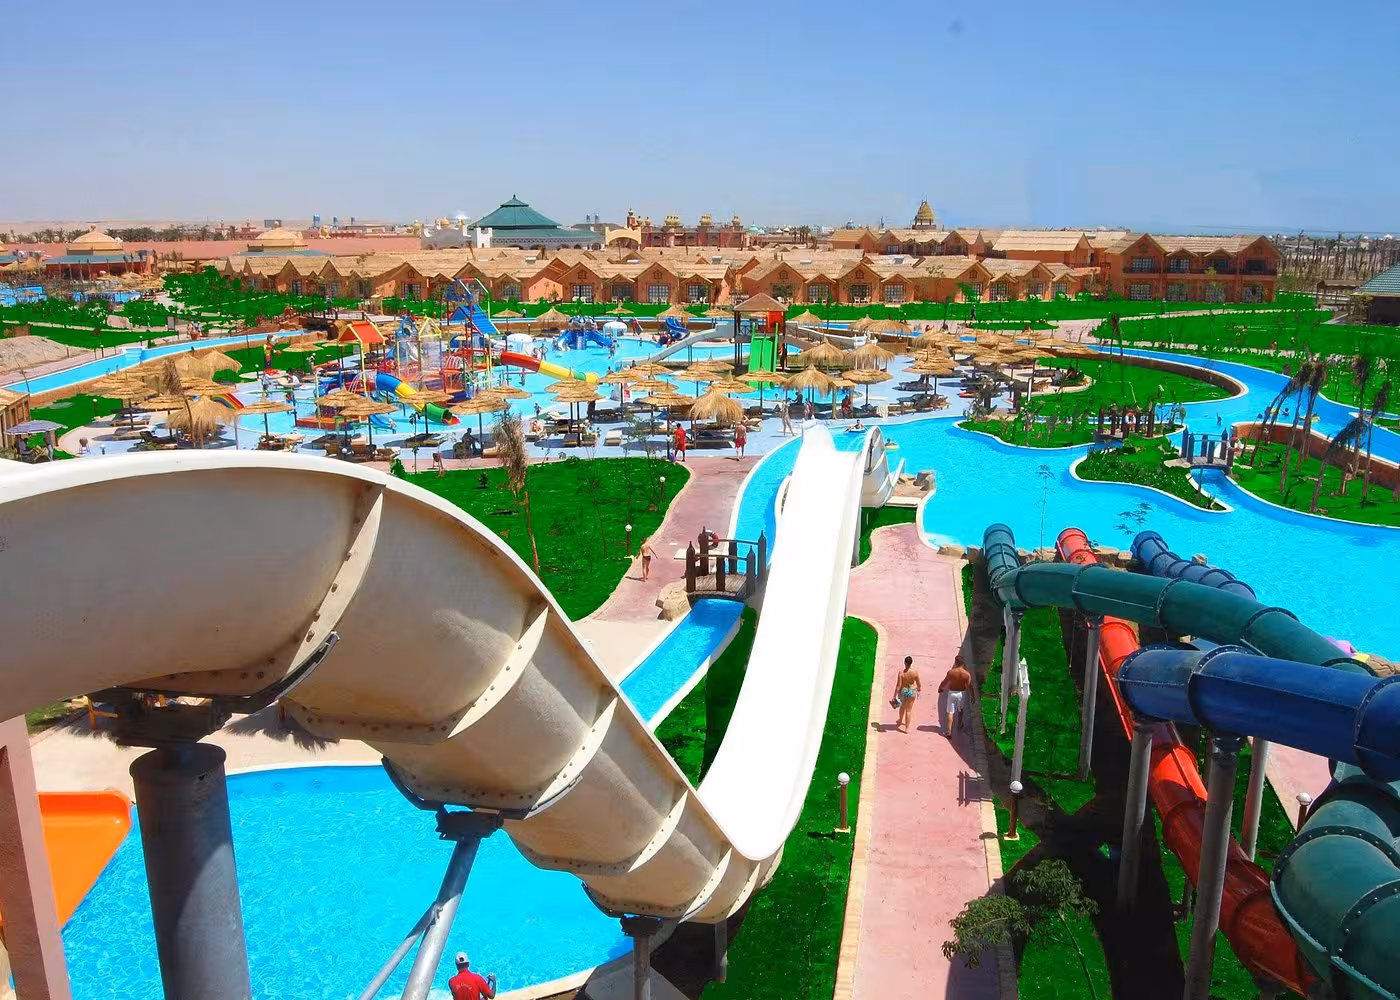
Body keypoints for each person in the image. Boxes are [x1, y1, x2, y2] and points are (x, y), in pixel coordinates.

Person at [938, 654, 974, 738]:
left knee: (950, 712)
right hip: (962, 693)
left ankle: (948, 731)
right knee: (960, 709)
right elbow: (969, 686)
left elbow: (945, 682)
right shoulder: (967, 674)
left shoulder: (951, 672)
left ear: (956, 662)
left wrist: (940, 688)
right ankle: (959, 723)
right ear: (963, 663)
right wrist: (973, 696)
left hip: (952, 693)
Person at [889, 655, 921, 733]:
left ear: (905, 663)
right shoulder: (915, 672)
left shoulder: (901, 673)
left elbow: (898, 685)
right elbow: (918, 683)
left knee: (902, 707)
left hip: (903, 691)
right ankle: (906, 728)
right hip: (912, 691)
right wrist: (919, 689)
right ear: (911, 663)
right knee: (909, 710)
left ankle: (900, 720)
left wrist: (894, 696)